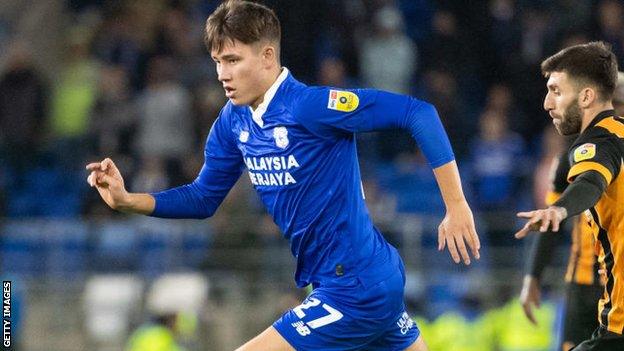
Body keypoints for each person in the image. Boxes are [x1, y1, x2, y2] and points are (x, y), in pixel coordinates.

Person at [87, 1, 480, 350]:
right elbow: (204, 197)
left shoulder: (310, 107)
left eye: (233, 60)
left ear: (267, 56)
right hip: (343, 283)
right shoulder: (233, 121)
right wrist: (127, 200)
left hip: (356, 286)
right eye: (217, 62)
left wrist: (456, 205)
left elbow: (418, 113)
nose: (223, 73)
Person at [515, 41, 624, 350]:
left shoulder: (595, 146)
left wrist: (559, 210)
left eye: (556, 91)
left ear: (588, 96)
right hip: (589, 283)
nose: (547, 103)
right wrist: (533, 275)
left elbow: (590, 181)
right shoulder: (571, 158)